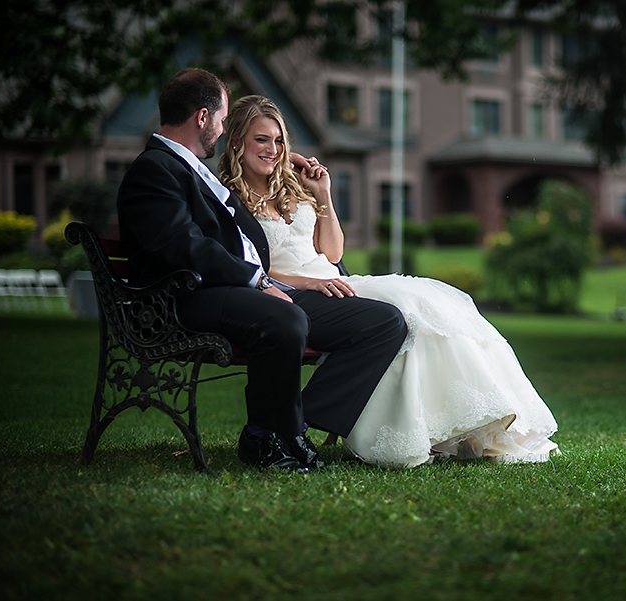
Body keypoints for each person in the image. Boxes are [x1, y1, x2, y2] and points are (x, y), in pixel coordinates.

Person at [218, 95, 560, 468]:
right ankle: (307, 424)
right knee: (401, 316)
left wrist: (323, 195)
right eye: (261, 140)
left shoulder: (292, 191)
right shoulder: (228, 199)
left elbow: (331, 254)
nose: (273, 150)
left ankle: (450, 426)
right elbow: (248, 267)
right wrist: (305, 284)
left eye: (279, 140)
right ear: (237, 141)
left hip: (335, 282)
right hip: (287, 294)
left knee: (425, 306)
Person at [116, 69, 408, 473]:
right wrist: (258, 280)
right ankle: (264, 436)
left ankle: (292, 429)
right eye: (220, 120)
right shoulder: (155, 170)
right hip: (180, 299)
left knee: (383, 322)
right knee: (283, 316)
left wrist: (278, 263)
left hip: (230, 289)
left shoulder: (189, 168)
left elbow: (241, 239)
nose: (220, 130)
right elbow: (184, 246)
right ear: (202, 117)